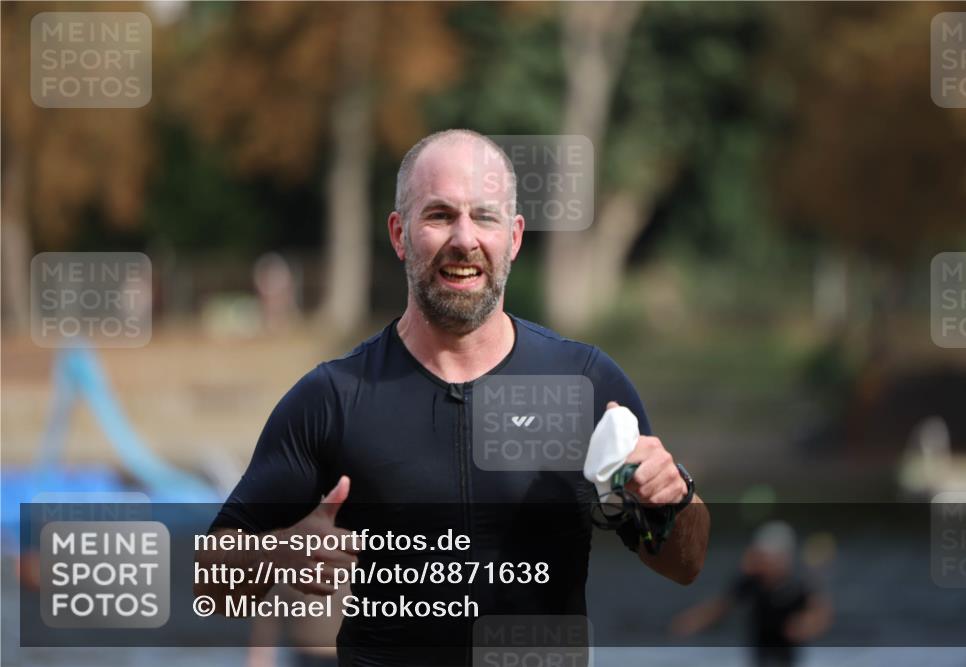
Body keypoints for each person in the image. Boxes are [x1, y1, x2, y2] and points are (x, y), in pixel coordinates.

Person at [195, 129, 710, 666]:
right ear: (399, 234)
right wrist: (280, 551)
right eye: (439, 215)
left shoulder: (584, 383)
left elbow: (686, 562)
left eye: (484, 217)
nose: (464, 239)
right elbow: (210, 581)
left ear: (513, 237)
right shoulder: (333, 397)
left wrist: (671, 500)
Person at [670, 521, 831, 667]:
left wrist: (806, 625)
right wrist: (693, 621)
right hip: (759, 655)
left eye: (769, 558)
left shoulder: (796, 583)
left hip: (786, 656)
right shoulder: (751, 582)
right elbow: (722, 605)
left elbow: (818, 611)